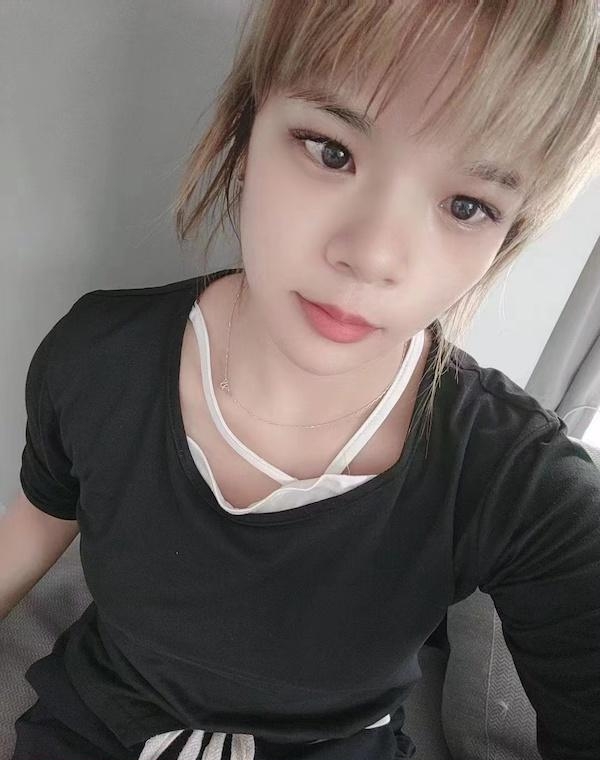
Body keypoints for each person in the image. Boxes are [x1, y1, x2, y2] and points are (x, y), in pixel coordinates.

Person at [2, 1, 599, 758]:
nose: (373, 256)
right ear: (246, 126)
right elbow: (38, 520)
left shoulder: (518, 481)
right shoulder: (96, 357)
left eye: (467, 205)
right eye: (332, 151)